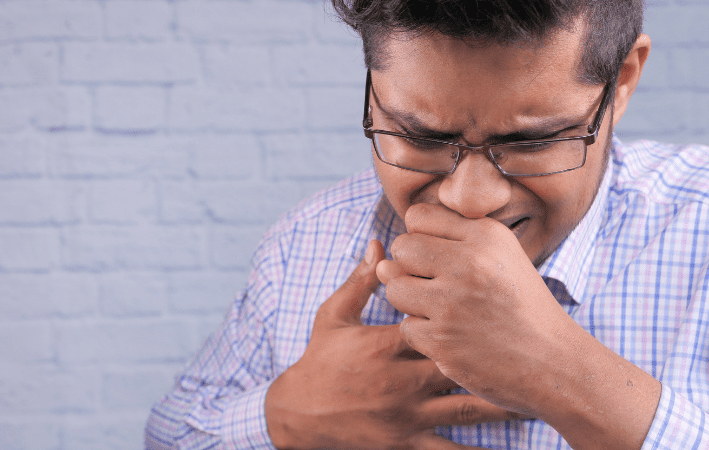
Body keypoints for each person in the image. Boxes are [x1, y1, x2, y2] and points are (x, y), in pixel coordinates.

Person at [146, 0, 709, 448]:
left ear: (624, 81)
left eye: (531, 141)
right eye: (420, 136)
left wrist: (566, 370)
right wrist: (282, 418)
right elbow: (170, 435)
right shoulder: (303, 242)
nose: (468, 200)